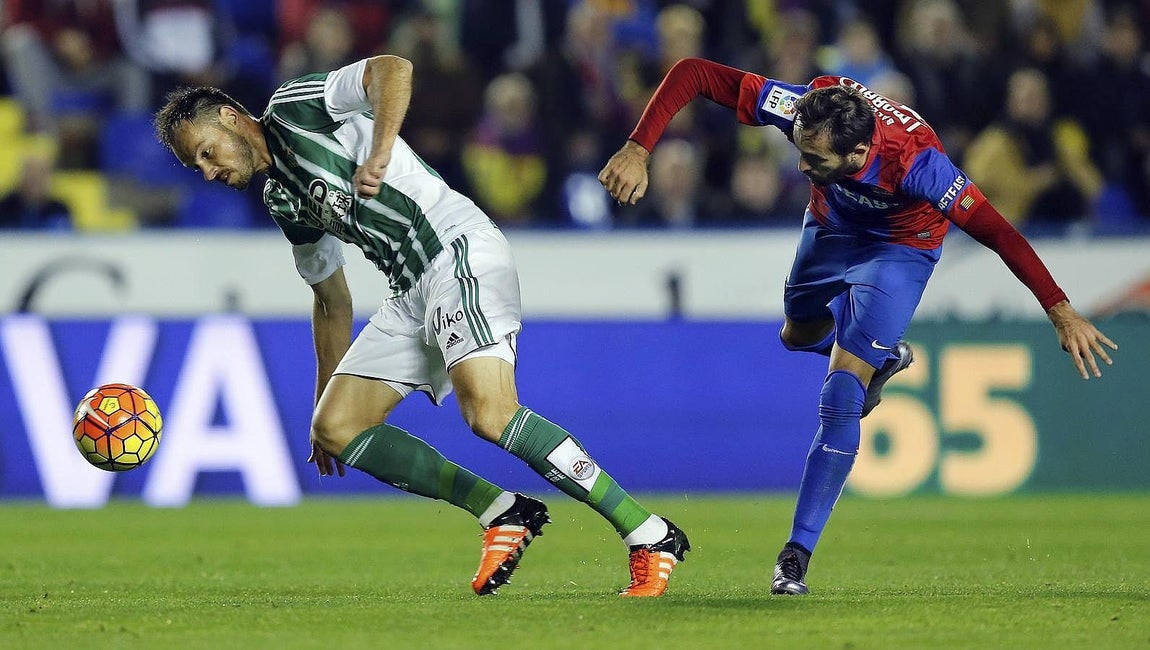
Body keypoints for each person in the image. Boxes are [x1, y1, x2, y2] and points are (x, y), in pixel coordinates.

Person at [153, 55, 689, 597]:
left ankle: (648, 533)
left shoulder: (294, 111)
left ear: (229, 118)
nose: (208, 172)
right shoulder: (282, 198)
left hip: (453, 248)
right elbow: (331, 301)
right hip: (408, 289)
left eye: (205, 153)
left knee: (490, 413)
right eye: (196, 167)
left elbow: (394, 68)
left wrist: (381, 149)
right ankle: (502, 511)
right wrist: (324, 398)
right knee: (337, 428)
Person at [599, 56, 1118, 595]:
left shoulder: (921, 167)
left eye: (814, 159)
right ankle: (884, 357)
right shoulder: (806, 108)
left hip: (899, 249)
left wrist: (1059, 308)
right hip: (829, 229)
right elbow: (694, 73)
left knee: (842, 393)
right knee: (794, 335)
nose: (800, 167)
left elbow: (999, 233)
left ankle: (795, 555)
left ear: (860, 153)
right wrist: (638, 148)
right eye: (801, 151)